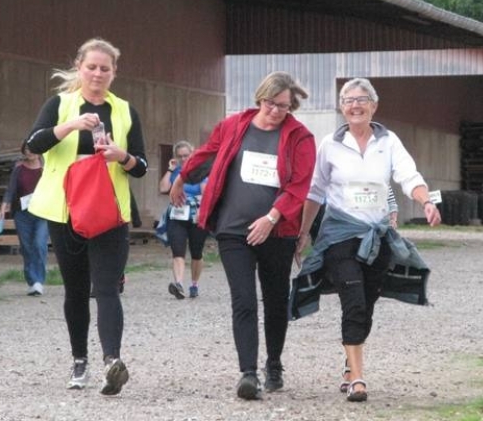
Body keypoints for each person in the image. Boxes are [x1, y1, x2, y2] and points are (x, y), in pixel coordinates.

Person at [293, 77, 441, 402]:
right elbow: (315, 191)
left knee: (368, 300)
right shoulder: (330, 144)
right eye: (348, 100)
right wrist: (303, 232)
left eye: (362, 100)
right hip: (340, 235)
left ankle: (350, 364)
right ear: (341, 107)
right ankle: (358, 379)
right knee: (354, 299)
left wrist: (426, 202)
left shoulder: (388, 141)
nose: (355, 105)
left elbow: (408, 176)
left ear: (374, 106)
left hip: (377, 236)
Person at [170, 71, 316, 400]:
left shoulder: (300, 138)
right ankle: (248, 373)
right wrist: (182, 177)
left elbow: (299, 186)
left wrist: (272, 217)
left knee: (275, 301)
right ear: (259, 98)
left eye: (283, 106)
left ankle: (273, 364)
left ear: (291, 105)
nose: (276, 111)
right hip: (234, 230)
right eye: (270, 103)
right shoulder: (234, 125)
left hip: (278, 231)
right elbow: (206, 154)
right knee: (244, 299)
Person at [25, 38, 148, 395]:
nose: (97, 73)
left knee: (107, 287)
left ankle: (112, 362)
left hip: (109, 212)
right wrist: (70, 126)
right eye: (91, 67)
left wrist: (121, 156)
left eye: (104, 68)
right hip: (65, 211)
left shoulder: (125, 111)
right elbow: (33, 144)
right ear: (79, 67)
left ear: (114, 73)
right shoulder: (60, 104)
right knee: (76, 290)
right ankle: (80, 360)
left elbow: (141, 166)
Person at [159, 140, 208, 299]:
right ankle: (178, 284)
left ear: (192, 154)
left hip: (195, 215)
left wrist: (202, 211)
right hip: (177, 215)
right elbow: (163, 188)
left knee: (196, 252)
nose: (183, 158)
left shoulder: (199, 171)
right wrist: (170, 169)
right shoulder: (175, 171)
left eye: (186, 155)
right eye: (180, 156)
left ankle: (194, 284)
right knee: (177, 251)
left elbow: (205, 193)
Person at [0, 141, 49, 296]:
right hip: (22, 214)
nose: (29, 152)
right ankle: (32, 281)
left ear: (39, 150)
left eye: (32, 149)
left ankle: (39, 281)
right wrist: (3, 207)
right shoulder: (19, 168)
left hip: (42, 212)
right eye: (26, 149)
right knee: (27, 247)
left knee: (39, 244)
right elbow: (10, 189)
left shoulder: (46, 167)